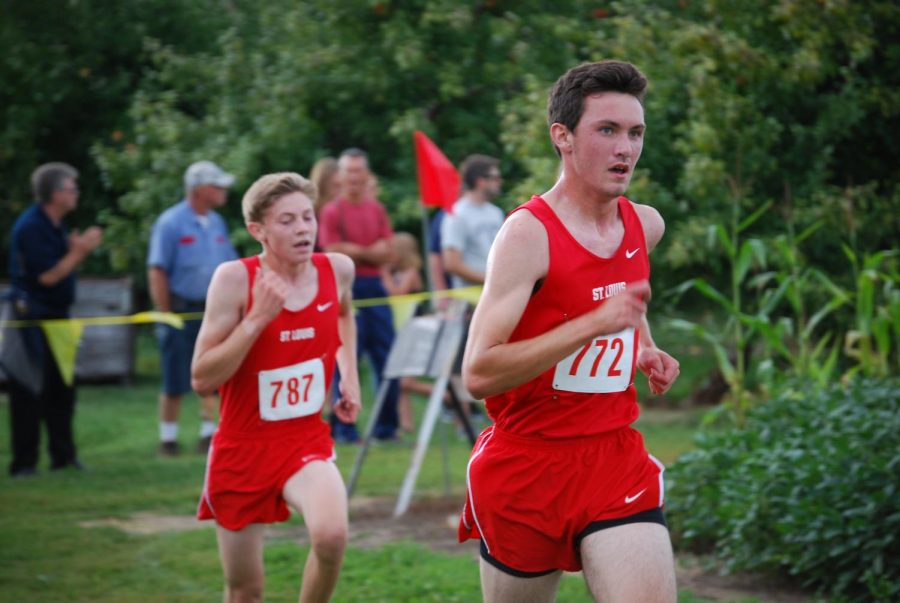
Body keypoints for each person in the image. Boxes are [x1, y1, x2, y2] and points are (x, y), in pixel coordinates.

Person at [457, 61, 681, 602]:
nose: (625, 148)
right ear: (563, 137)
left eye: (635, 133)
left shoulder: (644, 224)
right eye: (607, 131)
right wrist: (589, 328)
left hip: (612, 457)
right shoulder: (526, 236)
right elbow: (478, 372)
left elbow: (622, 298)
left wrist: (644, 347)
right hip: (526, 466)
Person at [192, 171, 360, 602]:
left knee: (331, 536)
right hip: (242, 446)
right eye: (287, 221)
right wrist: (256, 320)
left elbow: (344, 315)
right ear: (258, 231)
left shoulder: (337, 269)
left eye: (307, 217)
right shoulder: (234, 280)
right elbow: (202, 378)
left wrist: (348, 374)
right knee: (246, 589)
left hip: (303, 439)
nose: (303, 229)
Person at [5, 162, 102, 477]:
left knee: (62, 390)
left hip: (58, 319)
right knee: (29, 390)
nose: (77, 194)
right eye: (72, 188)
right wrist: (80, 252)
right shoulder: (32, 226)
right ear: (56, 193)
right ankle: (24, 463)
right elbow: (46, 277)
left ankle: (63, 457)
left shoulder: (55, 224)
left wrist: (72, 249)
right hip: (31, 319)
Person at [147, 160, 238, 456]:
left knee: (215, 372)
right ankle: (168, 438)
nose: (223, 190)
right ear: (200, 189)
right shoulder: (170, 222)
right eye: (217, 185)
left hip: (214, 309)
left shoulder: (217, 222)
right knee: (175, 375)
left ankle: (209, 433)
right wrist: (166, 312)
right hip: (180, 309)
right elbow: (157, 269)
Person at [318, 148, 399, 441]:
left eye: (358, 171)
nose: (353, 177)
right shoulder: (331, 211)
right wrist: (369, 252)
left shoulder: (376, 209)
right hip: (345, 290)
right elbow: (331, 251)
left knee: (388, 359)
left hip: (375, 288)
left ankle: (386, 429)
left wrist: (354, 250)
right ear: (340, 175)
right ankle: (344, 428)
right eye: (348, 171)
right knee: (346, 359)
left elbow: (390, 252)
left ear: (366, 175)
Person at [381, 232, 426, 434]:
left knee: (406, 383)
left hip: (415, 333)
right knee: (399, 383)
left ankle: (453, 400)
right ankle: (405, 424)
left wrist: (383, 274)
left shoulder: (411, 272)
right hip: (402, 331)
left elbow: (397, 293)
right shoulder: (397, 272)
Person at [441, 154, 505, 288]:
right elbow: (451, 263)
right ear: (480, 181)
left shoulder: (496, 212)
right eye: (495, 178)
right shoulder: (457, 214)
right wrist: (490, 280)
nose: (500, 181)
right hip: (470, 300)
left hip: (496, 292)